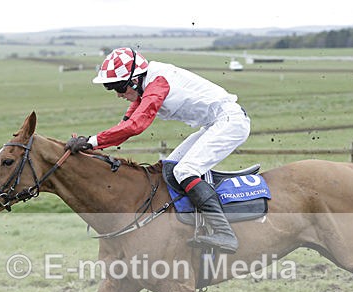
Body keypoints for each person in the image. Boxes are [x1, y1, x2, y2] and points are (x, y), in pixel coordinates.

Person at [65, 47, 250, 254]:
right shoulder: (144, 85)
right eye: (111, 88)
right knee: (169, 168)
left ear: (135, 80)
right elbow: (126, 123)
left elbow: (136, 126)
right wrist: (91, 142)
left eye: (118, 87)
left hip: (229, 122)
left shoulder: (157, 83)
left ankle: (225, 233)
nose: (118, 94)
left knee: (184, 171)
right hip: (214, 123)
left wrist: (92, 141)